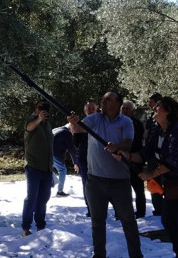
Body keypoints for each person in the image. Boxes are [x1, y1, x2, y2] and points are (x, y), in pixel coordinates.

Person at [68, 91, 143, 258]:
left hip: (120, 181)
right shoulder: (95, 118)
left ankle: (136, 255)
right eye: (103, 98)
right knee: (97, 222)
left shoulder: (126, 121)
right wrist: (73, 122)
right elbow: (79, 128)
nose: (103, 101)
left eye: (108, 99)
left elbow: (128, 143)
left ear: (117, 104)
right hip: (95, 180)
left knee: (128, 221)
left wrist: (116, 146)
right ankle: (99, 255)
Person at [122, 96, 178, 258]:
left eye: (158, 106)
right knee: (168, 221)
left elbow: (172, 162)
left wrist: (151, 174)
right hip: (170, 186)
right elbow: (143, 155)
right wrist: (125, 155)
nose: (154, 109)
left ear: (168, 111)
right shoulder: (158, 130)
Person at [21, 100, 55, 237]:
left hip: (47, 169)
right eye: (40, 107)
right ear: (35, 109)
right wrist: (39, 119)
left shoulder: (48, 125)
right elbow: (29, 127)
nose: (43, 110)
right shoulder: (32, 121)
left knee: (43, 199)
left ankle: (41, 225)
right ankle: (25, 228)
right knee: (31, 198)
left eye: (45, 107)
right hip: (34, 167)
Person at [121, 99, 146, 218]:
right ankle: (122, 212)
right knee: (122, 188)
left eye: (127, 109)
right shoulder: (116, 122)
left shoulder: (136, 124)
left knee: (138, 188)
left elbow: (136, 141)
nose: (125, 111)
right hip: (120, 160)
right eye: (123, 108)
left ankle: (141, 212)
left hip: (134, 159)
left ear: (133, 111)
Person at [74, 100, 97, 216]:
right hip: (84, 157)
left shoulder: (101, 122)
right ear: (85, 110)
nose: (91, 110)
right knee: (86, 184)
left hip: (99, 157)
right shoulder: (81, 124)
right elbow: (75, 143)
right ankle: (90, 209)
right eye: (89, 108)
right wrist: (76, 161)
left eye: (93, 108)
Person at [144, 92, 164, 216]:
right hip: (151, 155)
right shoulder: (150, 118)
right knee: (153, 181)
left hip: (161, 154)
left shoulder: (164, 118)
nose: (148, 105)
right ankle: (158, 208)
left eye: (150, 102)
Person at [52, 123, 79, 197]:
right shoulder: (66, 133)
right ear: (71, 128)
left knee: (48, 169)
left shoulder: (56, 129)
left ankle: (49, 184)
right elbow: (71, 150)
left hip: (45, 153)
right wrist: (75, 163)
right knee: (62, 170)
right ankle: (60, 191)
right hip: (53, 154)